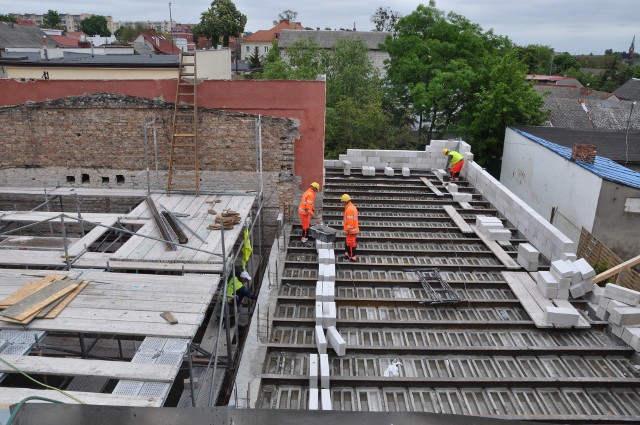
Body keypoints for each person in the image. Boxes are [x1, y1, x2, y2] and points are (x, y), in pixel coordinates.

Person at [341, 194, 359, 262]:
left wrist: (346, 230)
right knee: (348, 243)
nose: (342, 203)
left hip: (351, 232)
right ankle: (347, 254)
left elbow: (350, 224)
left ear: (345, 202)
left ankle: (352, 257)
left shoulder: (349, 210)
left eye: (342, 202)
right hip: (351, 232)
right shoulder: (352, 207)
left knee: (351, 245)